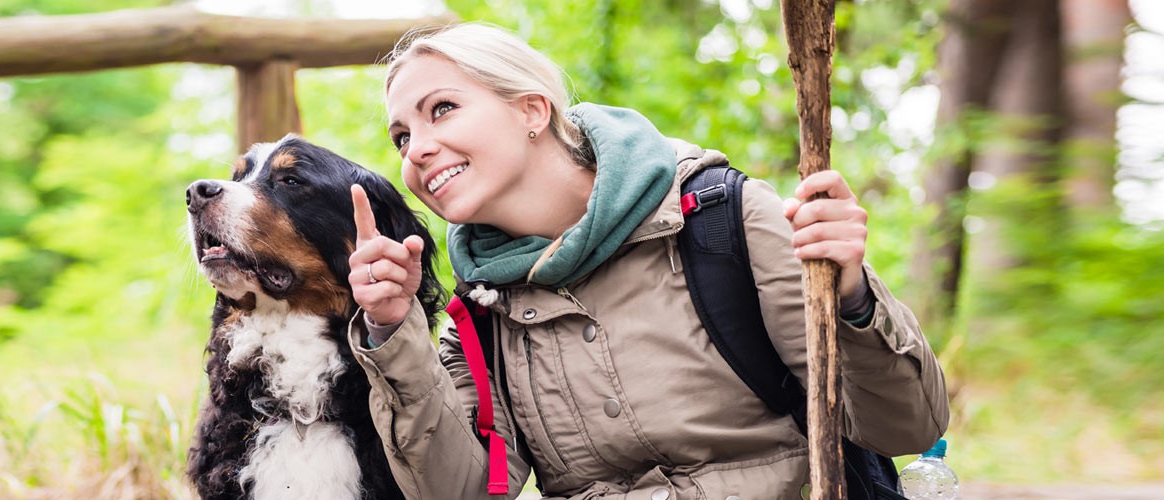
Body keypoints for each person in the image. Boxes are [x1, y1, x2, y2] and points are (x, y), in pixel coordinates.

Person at [343, 23, 949, 499]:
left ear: (532, 110)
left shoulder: (726, 220)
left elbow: (907, 428)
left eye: (441, 108)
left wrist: (851, 297)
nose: (417, 148)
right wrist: (396, 334)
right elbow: (464, 491)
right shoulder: (480, 313)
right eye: (400, 136)